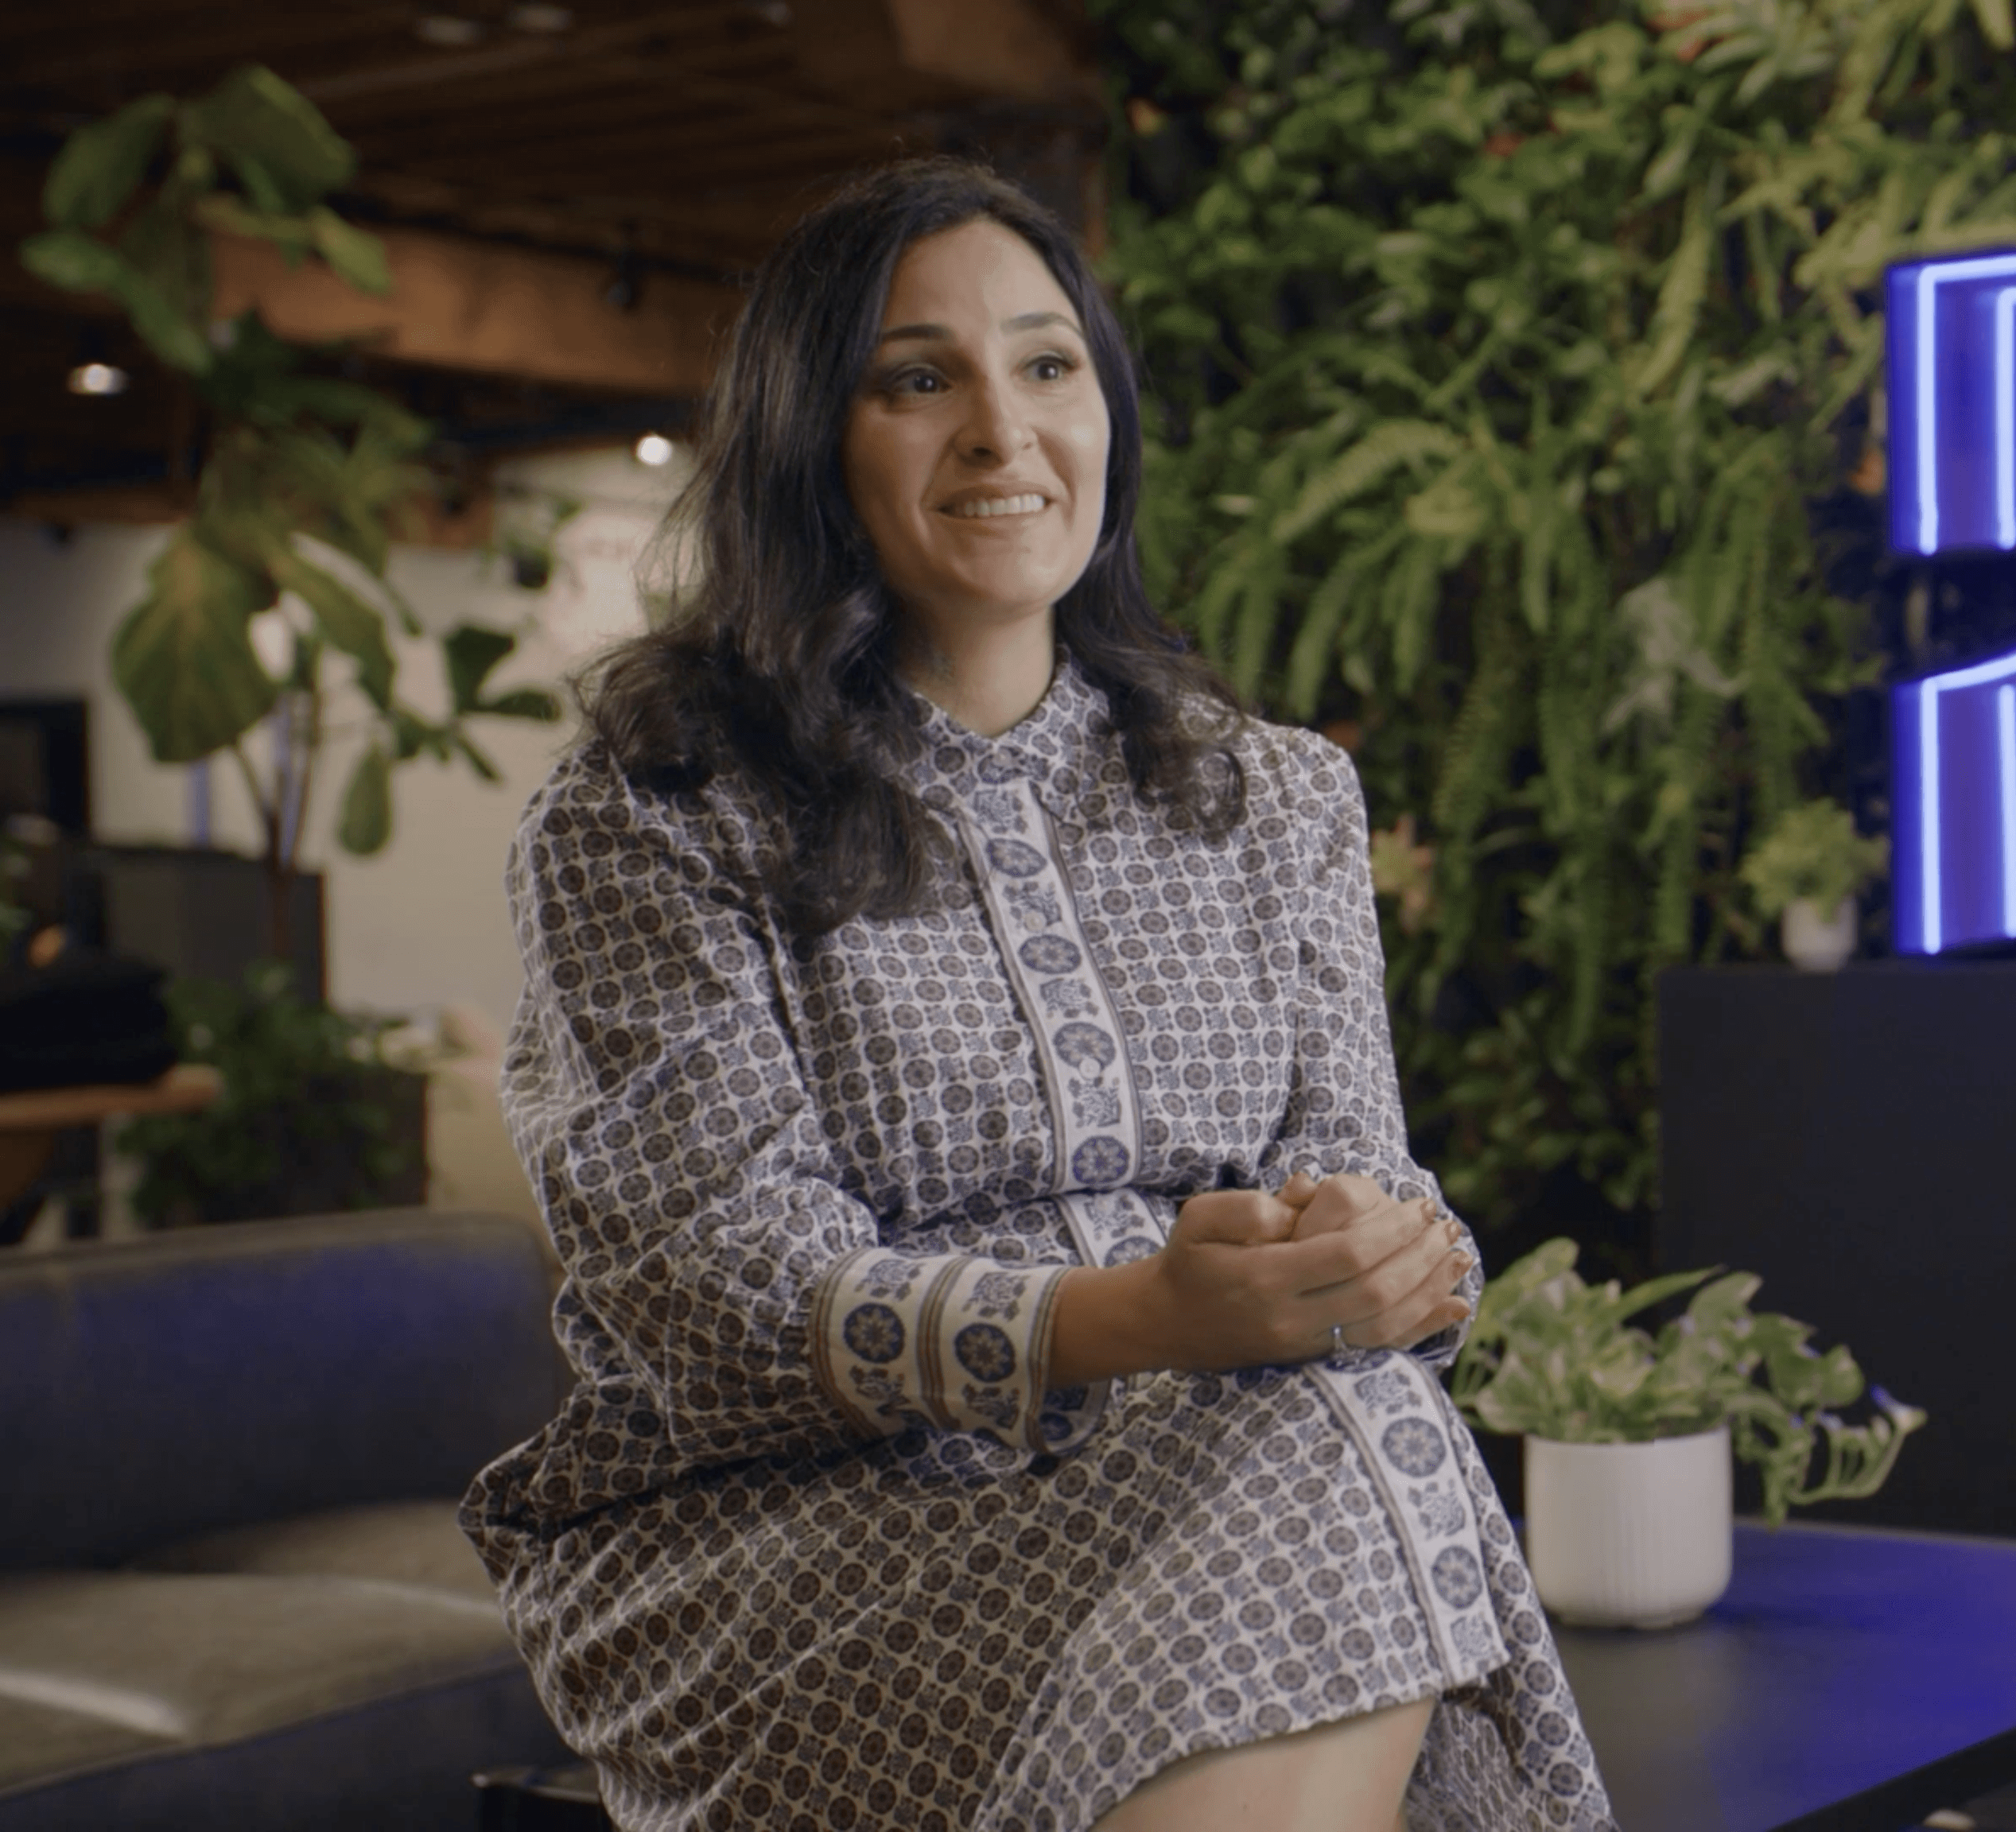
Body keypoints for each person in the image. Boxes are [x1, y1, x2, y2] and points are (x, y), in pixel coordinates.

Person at [460, 157, 1616, 1832]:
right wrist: (1145, 1315)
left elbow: (1375, 1186)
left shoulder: (1274, 794)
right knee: (1349, 1468)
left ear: (1106, 415)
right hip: (785, 1540)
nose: (1002, 432)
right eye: (918, 378)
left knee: (1347, 1425)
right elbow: (707, 1295)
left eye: (1046, 364)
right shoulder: (655, 806)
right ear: (810, 442)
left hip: (1225, 1482)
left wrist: (1379, 1261)